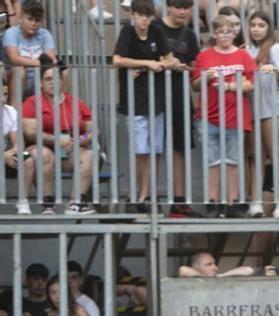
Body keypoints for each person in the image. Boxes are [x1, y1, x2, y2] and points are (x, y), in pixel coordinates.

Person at [112, 0, 175, 212]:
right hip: (134, 102)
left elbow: (170, 59)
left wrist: (158, 65)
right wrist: (146, 64)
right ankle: (136, 194)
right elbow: (117, 60)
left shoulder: (156, 31)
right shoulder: (127, 32)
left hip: (156, 101)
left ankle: (146, 195)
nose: (144, 20)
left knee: (154, 151)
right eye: (140, 15)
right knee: (141, 151)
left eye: (147, 16)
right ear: (133, 15)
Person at [191, 14, 256, 218]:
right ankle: (213, 201)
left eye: (228, 31)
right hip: (208, 114)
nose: (224, 35)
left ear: (233, 33)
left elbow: (250, 84)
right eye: (220, 32)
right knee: (212, 160)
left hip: (235, 114)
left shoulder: (244, 55)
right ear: (214, 34)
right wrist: (204, 77)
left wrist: (228, 86)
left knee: (233, 160)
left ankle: (232, 202)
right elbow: (194, 85)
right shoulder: (204, 56)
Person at [21, 56, 96, 215]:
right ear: (41, 82)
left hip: (68, 152)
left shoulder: (76, 102)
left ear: (62, 82)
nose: (52, 82)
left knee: (90, 154)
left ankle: (76, 203)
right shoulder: (32, 102)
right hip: (41, 149)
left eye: (56, 78)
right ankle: (47, 204)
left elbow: (93, 130)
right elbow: (30, 132)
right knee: (43, 153)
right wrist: (56, 139)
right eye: (47, 79)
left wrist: (82, 140)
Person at [245, 11, 279, 219]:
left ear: (269, 28)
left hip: (274, 107)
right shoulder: (246, 50)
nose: (256, 29)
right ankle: (255, 202)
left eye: (261, 25)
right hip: (253, 107)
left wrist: (274, 69)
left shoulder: (276, 48)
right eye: (253, 25)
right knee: (256, 156)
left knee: (277, 155)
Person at [159, 0, 202, 218]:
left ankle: (179, 201)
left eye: (186, 7)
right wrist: (167, 63)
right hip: (154, 97)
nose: (182, 11)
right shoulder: (156, 27)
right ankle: (147, 197)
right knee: (152, 148)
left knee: (180, 148)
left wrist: (187, 68)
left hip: (181, 97)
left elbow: (196, 66)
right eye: (178, 6)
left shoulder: (190, 34)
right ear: (168, 6)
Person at [3, 75, 55, 215]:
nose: (3, 98)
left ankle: (22, 201)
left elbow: (17, 142)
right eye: (0, 94)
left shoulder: (10, 112)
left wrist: (14, 151)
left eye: (6, 94)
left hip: (6, 157)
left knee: (27, 158)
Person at [2, 2, 56, 96]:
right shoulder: (11, 33)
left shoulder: (45, 34)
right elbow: (14, 59)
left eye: (37, 20)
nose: (33, 23)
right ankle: (16, 108)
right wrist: (41, 62)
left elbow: (50, 59)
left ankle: (61, 106)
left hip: (40, 75)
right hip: (16, 76)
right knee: (20, 71)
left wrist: (43, 63)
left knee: (64, 72)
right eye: (30, 19)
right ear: (21, 19)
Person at [177, 251, 255, 278]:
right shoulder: (190, 277)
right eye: (209, 264)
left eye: (214, 264)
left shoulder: (217, 277)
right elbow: (183, 270)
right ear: (195, 267)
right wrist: (206, 278)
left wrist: (221, 276)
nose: (216, 268)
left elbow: (249, 270)